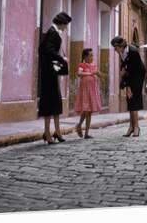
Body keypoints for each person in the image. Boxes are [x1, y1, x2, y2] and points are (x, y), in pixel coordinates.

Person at [38, 12, 72, 144]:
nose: (66, 28)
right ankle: (47, 132)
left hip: (51, 72)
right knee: (49, 102)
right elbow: (46, 50)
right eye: (66, 25)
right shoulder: (52, 32)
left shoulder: (52, 32)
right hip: (49, 73)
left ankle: (57, 131)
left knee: (56, 101)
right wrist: (61, 58)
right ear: (62, 23)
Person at [111, 36, 146, 137]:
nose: (114, 49)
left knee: (133, 100)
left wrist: (129, 87)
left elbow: (133, 71)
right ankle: (131, 126)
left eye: (115, 47)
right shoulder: (122, 52)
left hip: (138, 76)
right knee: (130, 100)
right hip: (130, 76)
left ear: (121, 46)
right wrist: (124, 81)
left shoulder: (133, 51)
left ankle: (136, 127)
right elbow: (125, 66)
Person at [74, 48, 105, 139]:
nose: (92, 57)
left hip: (92, 90)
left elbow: (100, 76)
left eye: (92, 55)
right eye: (90, 55)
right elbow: (79, 73)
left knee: (89, 111)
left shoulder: (94, 65)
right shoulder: (82, 65)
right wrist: (91, 73)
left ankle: (86, 133)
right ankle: (79, 125)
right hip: (85, 90)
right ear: (85, 56)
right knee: (86, 110)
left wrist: (99, 74)